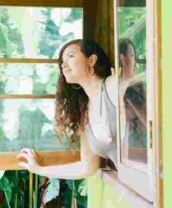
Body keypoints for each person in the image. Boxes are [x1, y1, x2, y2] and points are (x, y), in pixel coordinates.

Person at [16, 39, 118, 179]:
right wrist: (39, 169)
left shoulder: (112, 85)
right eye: (62, 61)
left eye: (70, 56)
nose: (63, 65)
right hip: (140, 187)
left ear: (91, 60)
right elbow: (86, 168)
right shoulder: (86, 115)